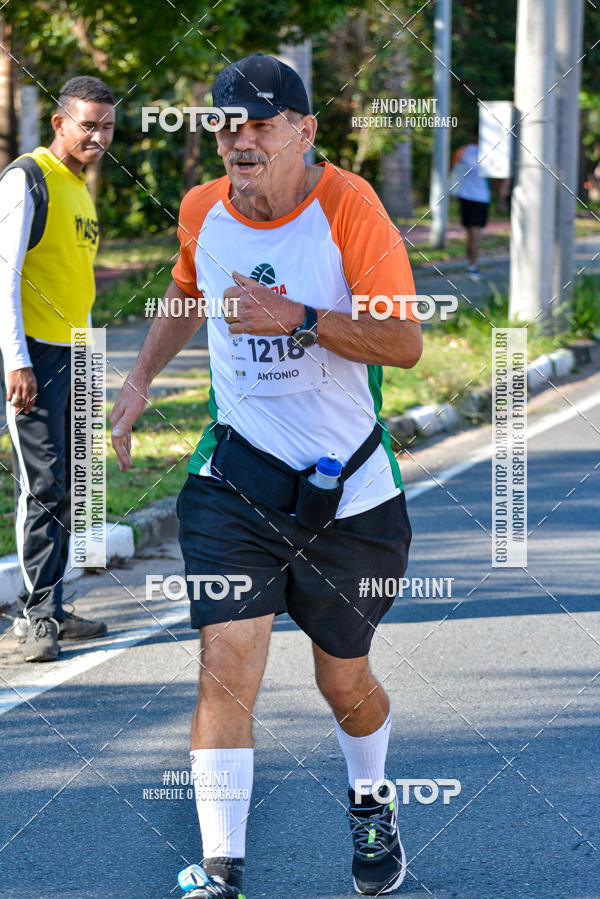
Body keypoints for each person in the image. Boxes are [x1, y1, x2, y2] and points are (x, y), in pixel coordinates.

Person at [110, 53, 422, 897]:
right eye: (225, 124)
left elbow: (403, 342)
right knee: (226, 663)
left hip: (348, 493)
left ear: (305, 129)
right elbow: (185, 292)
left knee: (342, 678)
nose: (240, 139)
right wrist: (138, 382)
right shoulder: (202, 210)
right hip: (237, 484)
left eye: (259, 123)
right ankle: (221, 872)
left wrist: (297, 317)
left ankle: (370, 799)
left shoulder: (350, 208)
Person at [0, 76, 114, 662]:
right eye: (88, 124)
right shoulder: (28, 178)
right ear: (60, 123)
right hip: (36, 357)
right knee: (42, 485)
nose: (98, 135)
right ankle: (35, 618)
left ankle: (55, 606)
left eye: (106, 126)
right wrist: (17, 360)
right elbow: (5, 276)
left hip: (77, 351)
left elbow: (76, 280)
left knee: (72, 484)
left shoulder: (78, 188)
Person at [451, 133, 491, 280]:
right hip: (480, 197)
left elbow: (454, 170)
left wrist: (453, 192)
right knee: (475, 232)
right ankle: (473, 265)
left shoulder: (463, 151)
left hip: (466, 196)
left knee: (470, 232)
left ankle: (471, 264)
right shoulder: (490, 152)